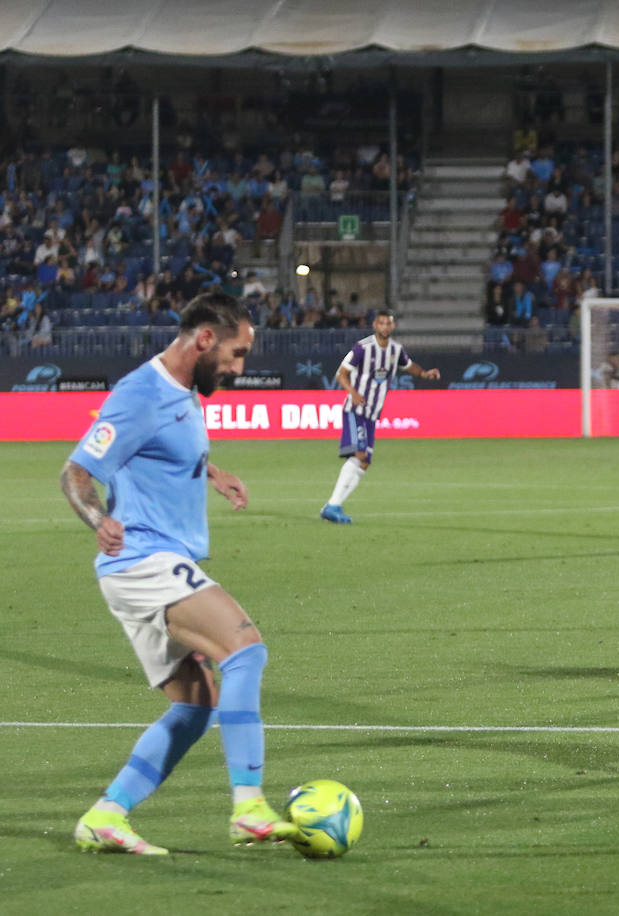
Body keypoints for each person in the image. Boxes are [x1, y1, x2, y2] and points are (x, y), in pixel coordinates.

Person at [60, 292, 299, 855]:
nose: (240, 369)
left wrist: (209, 470)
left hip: (154, 560)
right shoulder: (140, 393)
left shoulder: (184, 390)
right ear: (206, 339)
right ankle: (249, 806)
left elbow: (160, 449)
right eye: (237, 354)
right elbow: (75, 471)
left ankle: (106, 815)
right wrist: (97, 518)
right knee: (244, 648)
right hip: (143, 559)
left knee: (195, 704)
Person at [320, 311, 441, 524]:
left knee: (364, 463)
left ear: (393, 326)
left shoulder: (396, 350)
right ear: (375, 324)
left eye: (388, 323)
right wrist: (353, 393)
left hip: (372, 415)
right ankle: (332, 505)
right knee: (359, 455)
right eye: (381, 323)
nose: (385, 327)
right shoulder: (362, 348)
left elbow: (409, 365)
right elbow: (341, 373)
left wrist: (424, 374)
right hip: (355, 410)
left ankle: (333, 504)